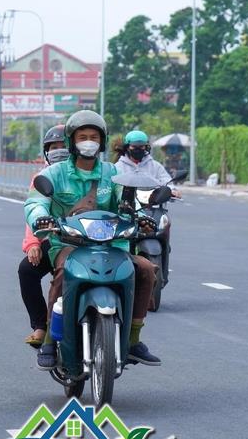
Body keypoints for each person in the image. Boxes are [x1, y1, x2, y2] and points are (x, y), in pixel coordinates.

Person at [24, 110, 161, 368]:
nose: (88, 141)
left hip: (110, 244)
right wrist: (42, 218)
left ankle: (133, 340)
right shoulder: (54, 174)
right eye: (83, 136)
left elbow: (128, 200)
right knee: (64, 273)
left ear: (102, 142)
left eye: (94, 137)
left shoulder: (112, 173)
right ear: (71, 141)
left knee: (144, 269)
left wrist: (140, 215)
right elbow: (35, 203)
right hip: (68, 244)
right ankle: (50, 342)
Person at [19, 125, 69, 347]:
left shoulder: (99, 172)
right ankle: (41, 325)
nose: (59, 151)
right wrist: (33, 243)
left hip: (91, 241)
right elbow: (34, 210)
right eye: (54, 147)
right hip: (56, 240)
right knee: (26, 270)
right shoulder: (42, 178)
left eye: (63, 146)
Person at [114, 130, 180, 197]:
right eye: (134, 147)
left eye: (141, 146)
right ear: (127, 147)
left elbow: (166, 180)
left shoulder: (155, 166)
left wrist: (172, 190)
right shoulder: (118, 167)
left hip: (151, 203)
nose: (138, 149)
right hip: (126, 204)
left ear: (146, 147)